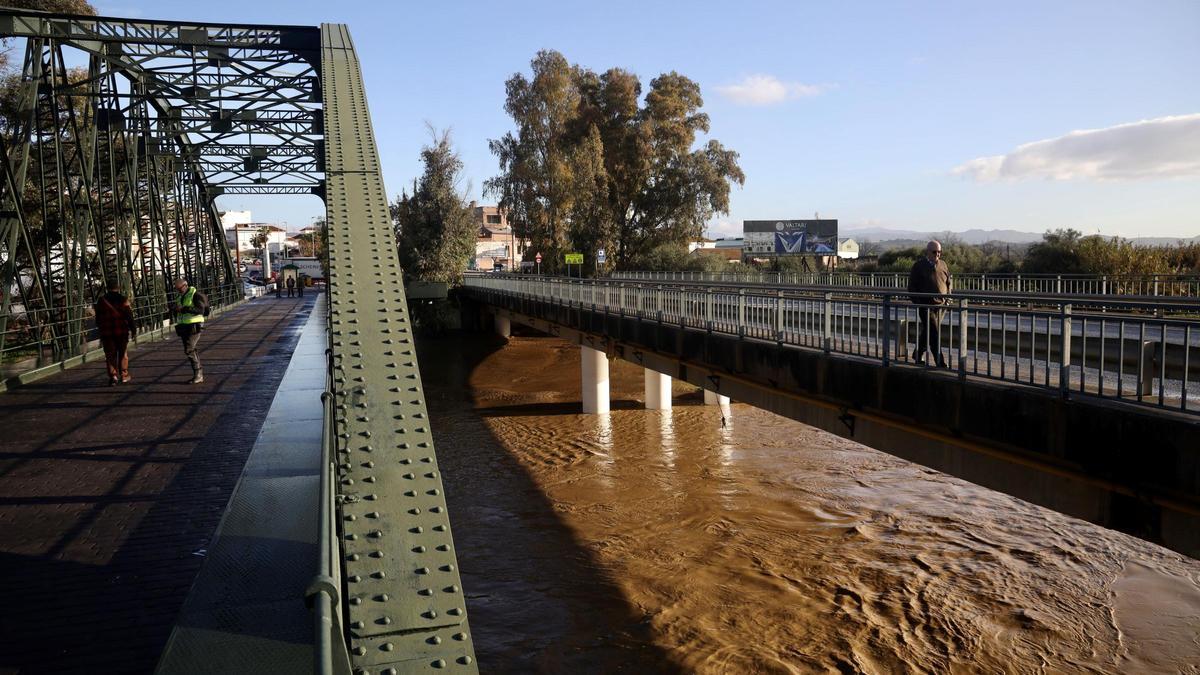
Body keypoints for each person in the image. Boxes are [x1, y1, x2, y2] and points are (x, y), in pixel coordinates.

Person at [907, 240, 952, 367]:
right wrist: (918, 302)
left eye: (939, 252)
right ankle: (940, 361)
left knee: (928, 331)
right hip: (926, 306)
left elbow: (948, 281)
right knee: (934, 333)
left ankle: (917, 353)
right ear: (927, 252)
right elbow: (911, 287)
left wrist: (948, 297)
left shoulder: (943, 264)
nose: (937, 254)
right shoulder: (918, 266)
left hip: (940, 306)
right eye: (934, 252)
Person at [94, 280, 136, 385]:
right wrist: (134, 330)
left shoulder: (101, 300)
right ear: (118, 288)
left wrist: (101, 328)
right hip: (121, 331)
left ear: (107, 288)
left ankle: (113, 377)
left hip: (107, 333)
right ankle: (124, 375)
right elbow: (129, 316)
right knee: (123, 354)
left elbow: (98, 318)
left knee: (110, 355)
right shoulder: (123, 299)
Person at [172, 278, 209, 383]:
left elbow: (200, 310)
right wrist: (175, 309)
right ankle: (198, 374)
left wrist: (183, 309)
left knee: (189, 348)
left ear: (185, 286)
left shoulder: (195, 295)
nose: (178, 291)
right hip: (184, 326)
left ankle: (198, 374)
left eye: (179, 289)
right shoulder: (180, 296)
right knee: (190, 349)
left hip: (194, 325)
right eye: (176, 289)